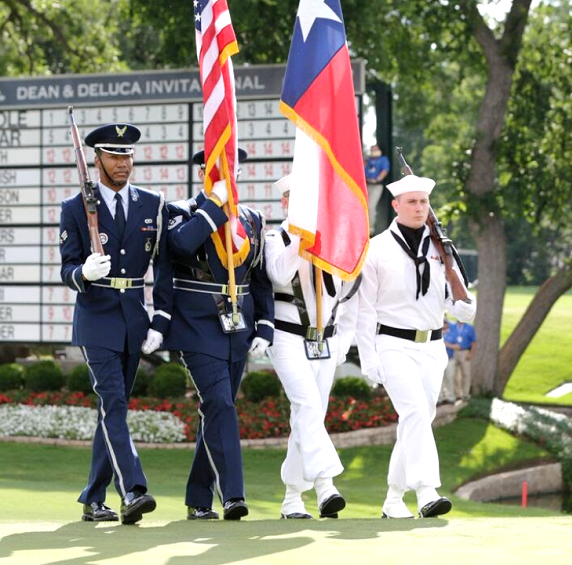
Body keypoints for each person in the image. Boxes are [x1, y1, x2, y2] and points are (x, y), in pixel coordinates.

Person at [59, 122, 172, 526]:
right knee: (115, 404)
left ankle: (92, 497)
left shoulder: (152, 203)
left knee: (112, 411)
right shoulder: (75, 208)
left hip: (133, 320)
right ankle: (134, 490)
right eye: (113, 156)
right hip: (96, 318)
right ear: (97, 159)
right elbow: (66, 268)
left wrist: (159, 318)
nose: (122, 163)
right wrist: (84, 273)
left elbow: (164, 265)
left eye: (127, 156)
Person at [158, 148, 274, 521]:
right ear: (203, 172)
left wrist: (266, 326)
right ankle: (234, 495)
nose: (226, 173)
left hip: (238, 327)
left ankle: (198, 499)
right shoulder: (180, 212)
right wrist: (214, 205)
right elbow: (180, 245)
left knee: (217, 410)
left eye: (232, 167)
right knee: (221, 404)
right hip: (195, 326)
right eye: (217, 168)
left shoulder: (251, 219)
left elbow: (259, 277)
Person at [355, 173, 476, 519]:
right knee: (413, 414)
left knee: (419, 419)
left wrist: (464, 301)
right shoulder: (377, 248)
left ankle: (393, 499)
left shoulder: (442, 247)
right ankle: (426, 492)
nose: (420, 208)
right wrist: (367, 356)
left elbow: (457, 305)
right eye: (412, 202)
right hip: (392, 343)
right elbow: (364, 308)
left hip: (433, 346)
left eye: (424, 202)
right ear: (395, 206)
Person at [263, 173, 359, 520]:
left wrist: (345, 341)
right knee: (305, 404)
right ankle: (325, 484)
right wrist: (301, 241)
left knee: (307, 417)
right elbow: (277, 273)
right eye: (296, 200)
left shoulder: (336, 242)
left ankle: (291, 499)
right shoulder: (276, 239)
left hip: (326, 340)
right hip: (288, 335)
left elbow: (349, 294)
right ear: (285, 203)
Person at [447, 316, 477, 401]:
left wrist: (471, 353)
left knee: (466, 374)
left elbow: (474, 342)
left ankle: (465, 394)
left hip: (464, 351)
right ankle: (457, 393)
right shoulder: (452, 326)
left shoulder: (469, 328)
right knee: (454, 374)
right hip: (454, 352)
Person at [364, 144, 390, 233]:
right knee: (364, 205)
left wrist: (377, 179)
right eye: (372, 150)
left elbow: (385, 170)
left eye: (376, 149)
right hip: (366, 185)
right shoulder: (368, 160)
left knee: (371, 206)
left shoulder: (383, 159)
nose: (374, 151)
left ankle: (370, 229)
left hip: (377, 185)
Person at [440, 318, 457, 404]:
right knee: (438, 379)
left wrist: (448, 345)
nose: (444, 324)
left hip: (450, 359)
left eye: (445, 323)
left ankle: (450, 397)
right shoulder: (438, 333)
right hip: (438, 360)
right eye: (443, 323)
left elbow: (458, 346)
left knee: (449, 378)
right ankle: (439, 398)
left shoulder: (452, 333)